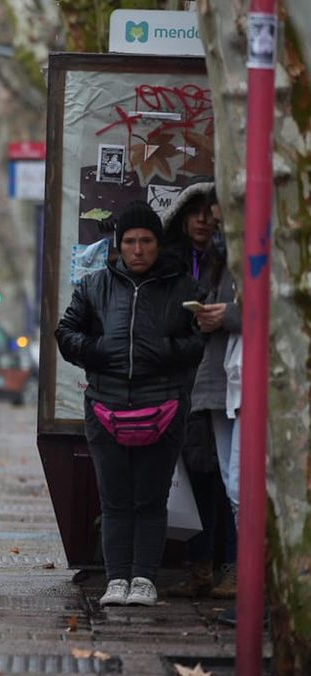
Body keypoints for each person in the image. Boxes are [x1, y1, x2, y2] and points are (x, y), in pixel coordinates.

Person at [56, 201, 205, 607]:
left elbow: (199, 342)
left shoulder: (184, 289)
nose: (137, 249)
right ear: (118, 247)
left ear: (158, 244)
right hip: (105, 408)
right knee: (115, 500)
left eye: (146, 241)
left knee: (151, 500)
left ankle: (144, 580)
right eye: (129, 242)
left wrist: (163, 351)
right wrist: (99, 350)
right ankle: (116, 579)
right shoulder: (94, 286)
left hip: (164, 408)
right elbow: (65, 332)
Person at [160, 179, 240, 600]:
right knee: (200, 471)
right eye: (196, 215)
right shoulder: (173, 263)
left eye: (210, 217)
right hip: (186, 379)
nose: (203, 224)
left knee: (229, 477)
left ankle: (230, 563)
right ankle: (200, 564)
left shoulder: (230, 262)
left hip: (220, 376)